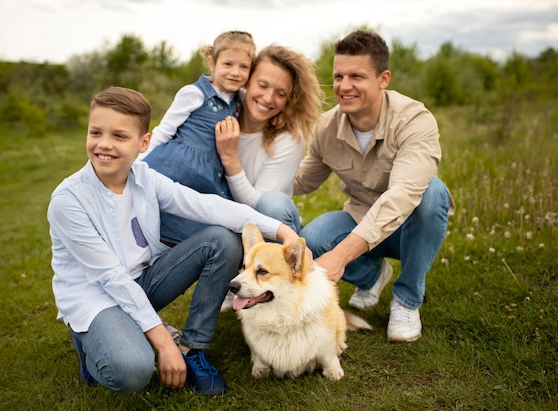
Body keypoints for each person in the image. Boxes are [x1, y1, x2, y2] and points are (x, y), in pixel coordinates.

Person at [47, 86, 302, 396]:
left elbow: (207, 206)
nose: (104, 145)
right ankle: (92, 342)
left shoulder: (144, 177)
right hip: (98, 297)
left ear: (144, 143)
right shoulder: (68, 200)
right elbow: (111, 279)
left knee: (221, 241)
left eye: (119, 136)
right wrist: (162, 341)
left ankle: (192, 348)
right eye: (96, 132)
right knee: (133, 371)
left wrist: (280, 229)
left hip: (145, 281)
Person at [293, 30, 454, 343]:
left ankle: (407, 300)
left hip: (409, 227)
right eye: (339, 76)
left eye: (357, 76)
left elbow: (402, 197)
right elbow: (303, 180)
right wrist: (240, 170)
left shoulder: (414, 120)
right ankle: (373, 275)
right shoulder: (326, 126)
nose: (344, 86)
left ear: (383, 79)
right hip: (360, 217)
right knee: (312, 239)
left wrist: (340, 257)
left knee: (433, 193)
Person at [140, 30, 256, 244]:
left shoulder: (240, 98)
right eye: (228, 64)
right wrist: (136, 163)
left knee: (210, 218)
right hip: (178, 166)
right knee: (165, 209)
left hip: (209, 173)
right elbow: (164, 131)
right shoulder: (194, 93)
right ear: (212, 63)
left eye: (244, 67)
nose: (235, 72)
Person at [214, 44, 324, 234]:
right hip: (220, 224)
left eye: (280, 94)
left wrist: (230, 158)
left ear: (289, 99)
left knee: (273, 203)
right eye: (262, 85)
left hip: (268, 229)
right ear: (248, 81)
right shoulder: (220, 109)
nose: (268, 98)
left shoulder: (289, 140)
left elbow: (259, 207)